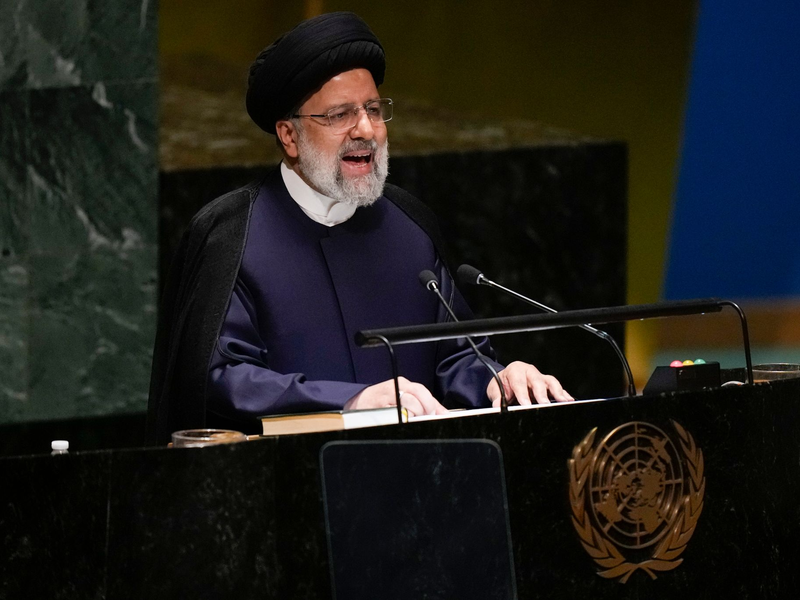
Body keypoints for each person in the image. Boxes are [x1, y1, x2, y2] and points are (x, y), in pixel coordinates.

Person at [146, 12, 571, 445]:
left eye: (372, 109)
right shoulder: (233, 237)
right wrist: (350, 402)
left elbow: (456, 355)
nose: (366, 130)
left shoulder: (409, 227)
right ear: (289, 136)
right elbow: (222, 380)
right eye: (339, 115)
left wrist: (497, 379)